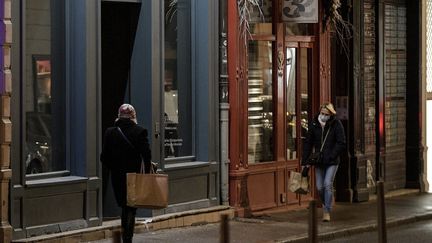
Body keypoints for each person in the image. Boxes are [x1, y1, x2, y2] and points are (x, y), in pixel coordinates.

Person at [100, 104, 151, 243]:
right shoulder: (140, 131)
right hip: (134, 176)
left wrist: (114, 168)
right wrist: (145, 175)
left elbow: (104, 157)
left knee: (124, 205)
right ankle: (128, 238)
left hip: (117, 176)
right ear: (133, 115)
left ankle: (126, 237)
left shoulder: (110, 132)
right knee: (131, 207)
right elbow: (146, 156)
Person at [302, 102, 346, 222]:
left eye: (326, 114)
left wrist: (332, 155)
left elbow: (341, 142)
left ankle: (326, 211)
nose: (323, 116)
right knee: (320, 187)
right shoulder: (314, 123)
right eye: (322, 113)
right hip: (319, 161)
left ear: (331, 115)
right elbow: (308, 143)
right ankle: (327, 201)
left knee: (327, 184)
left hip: (332, 161)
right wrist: (304, 161)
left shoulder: (336, 124)